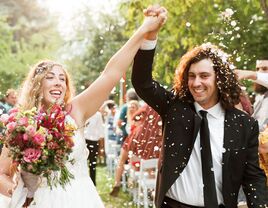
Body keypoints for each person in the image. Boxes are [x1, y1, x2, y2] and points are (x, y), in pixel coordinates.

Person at [0, 11, 168, 208]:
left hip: (79, 198)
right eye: (50, 77)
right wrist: (15, 190)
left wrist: (144, 30)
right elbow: (2, 173)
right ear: (37, 84)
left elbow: (110, 74)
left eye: (62, 79)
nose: (58, 83)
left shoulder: (75, 111)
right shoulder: (21, 124)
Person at [131, 5, 268, 208]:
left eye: (204, 76)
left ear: (219, 79)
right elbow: (142, 82)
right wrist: (150, 35)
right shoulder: (175, 108)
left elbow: (253, 179)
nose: (196, 83)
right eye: (191, 76)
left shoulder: (244, 125)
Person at [84, 111, 105, 186]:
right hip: (83, 141)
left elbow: (101, 131)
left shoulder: (97, 115)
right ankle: (83, 183)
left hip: (93, 141)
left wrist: (101, 147)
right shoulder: (84, 112)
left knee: (92, 164)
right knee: (82, 164)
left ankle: (92, 184)